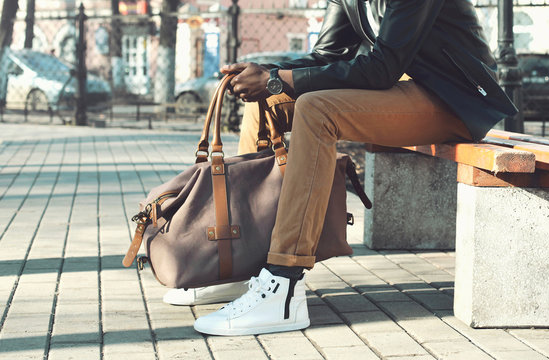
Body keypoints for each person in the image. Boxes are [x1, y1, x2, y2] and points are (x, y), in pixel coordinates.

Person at [186, 0, 517, 336]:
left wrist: (275, 78)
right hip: (403, 88)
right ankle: (248, 262)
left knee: (317, 110)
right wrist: (265, 72)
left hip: (454, 98)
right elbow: (327, 57)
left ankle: (282, 287)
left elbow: (381, 67)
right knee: (267, 103)